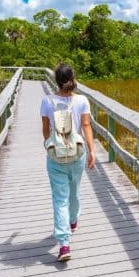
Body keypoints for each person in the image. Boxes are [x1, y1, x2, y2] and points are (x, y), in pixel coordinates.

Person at [41, 63, 96, 262]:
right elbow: (87, 126)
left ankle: (64, 244)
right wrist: (92, 150)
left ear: (56, 80)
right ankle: (72, 221)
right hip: (77, 154)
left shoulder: (47, 101)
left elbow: (46, 130)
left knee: (59, 198)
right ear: (73, 78)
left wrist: (48, 144)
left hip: (55, 156)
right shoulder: (82, 100)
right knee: (74, 190)